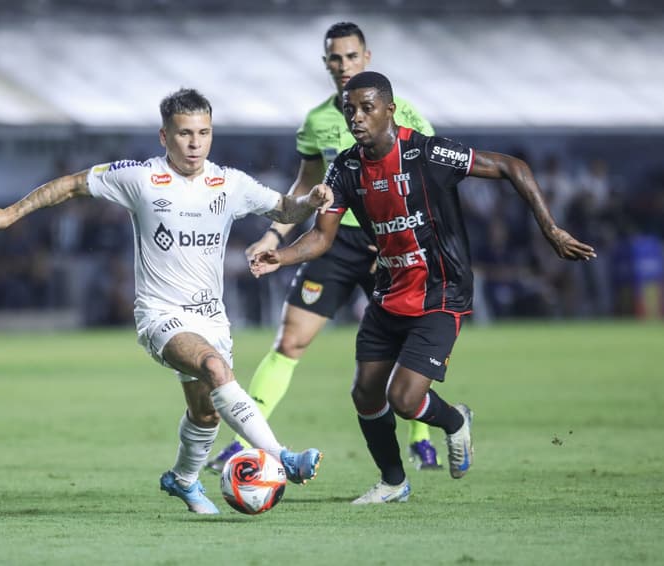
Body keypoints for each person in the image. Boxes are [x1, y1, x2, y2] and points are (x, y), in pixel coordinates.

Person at [0, 88, 328, 514]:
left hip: (211, 319)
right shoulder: (141, 177)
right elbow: (71, 185)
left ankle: (181, 479)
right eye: (184, 134)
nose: (195, 143)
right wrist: (11, 215)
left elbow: (287, 211)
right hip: (160, 316)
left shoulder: (229, 184)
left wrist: (311, 200)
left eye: (204, 132)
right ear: (165, 137)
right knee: (216, 369)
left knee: (206, 415)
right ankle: (283, 457)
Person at [249, 72, 596, 504]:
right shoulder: (347, 167)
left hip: (441, 291)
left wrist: (550, 230)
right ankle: (393, 482)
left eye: (366, 108)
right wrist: (280, 255)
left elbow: (513, 166)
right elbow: (323, 236)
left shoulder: (427, 152)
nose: (356, 117)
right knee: (364, 393)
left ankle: (454, 422)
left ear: (389, 110)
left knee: (403, 398)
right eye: (350, 109)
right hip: (389, 290)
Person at [207, 21, 442, 473]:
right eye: (335, 58)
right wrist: (275, 235)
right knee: (290, 341)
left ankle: (420, 437)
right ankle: (243, 442)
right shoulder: (317, 121)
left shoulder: (405, 114)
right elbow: (306, 186)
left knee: (404, 349)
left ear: (366, 58)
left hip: (389, 242)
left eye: (351, 56)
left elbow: (429, 178)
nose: (343, 66)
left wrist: (411, 234)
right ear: (325, 63)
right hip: (330, 242)